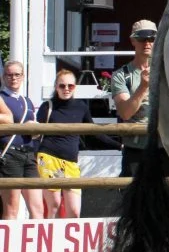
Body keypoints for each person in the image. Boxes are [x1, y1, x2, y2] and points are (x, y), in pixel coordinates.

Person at [35, 70, 118, 219]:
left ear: (75, 87)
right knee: (52, 205)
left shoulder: (81, 107)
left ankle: (65, 241)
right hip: (48, 158)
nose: (66, 89)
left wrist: (119, 146)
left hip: (71, 163)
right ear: (56, 87)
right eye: (62, 85)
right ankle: (50, 240)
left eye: (70, 86)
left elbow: (94, 132)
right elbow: (35, 135)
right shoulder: (47, 106)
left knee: (74, 210)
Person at [111, 20, 169, 177]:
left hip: (166, 147)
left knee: (168, 197)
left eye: (152, 38)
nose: (147, 43)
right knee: (134, 199)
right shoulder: (121, 75)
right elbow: (125, 113)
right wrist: (143, 86)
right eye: (142, 38)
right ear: (133, 40)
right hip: (135, 148)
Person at [0, 61, 46, 220]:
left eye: (17, 74)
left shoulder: (27, 101)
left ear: (23, 76)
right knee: (11, 207)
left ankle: (37, 244)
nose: (13, 78)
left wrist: (35, 130)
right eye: (9, 74)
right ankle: (6, 244)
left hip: (29, 153)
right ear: (3, 77)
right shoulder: (1, 98)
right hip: (9, 154)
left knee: (38, 208)